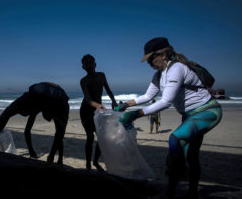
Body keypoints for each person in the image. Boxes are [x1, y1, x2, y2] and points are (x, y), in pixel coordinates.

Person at [118, 37, 222, 198]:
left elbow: (166, 102)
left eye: (151, 58)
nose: (149, 62)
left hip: (207, 112)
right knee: (190, 155)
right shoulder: (159, 75)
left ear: (164, 54)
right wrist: (126, 104)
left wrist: (135, 114)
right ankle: (190, 192)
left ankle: (170, 190)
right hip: (188, 116)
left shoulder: (176, 69)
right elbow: (147, 96)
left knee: (174, 140)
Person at [0, 82, 70, 165]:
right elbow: (27, 130)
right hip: (41, 92)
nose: (50, 119)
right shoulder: (36, 105)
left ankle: (59, 159)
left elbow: (26, 129)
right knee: (8, 112)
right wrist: (31, 150)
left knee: (8, 112)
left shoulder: (41, 106)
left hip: (50, 95)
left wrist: (51, 156)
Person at [80, 54, 118, 171]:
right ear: (83, 67)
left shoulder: (101, 76)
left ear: (95, 64)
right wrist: (100, 106)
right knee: (90, 137)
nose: (89, 65)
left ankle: (95, 161)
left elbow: (108, 89)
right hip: (86, 111)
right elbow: (88, 99)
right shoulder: (84, 81)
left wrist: (114, 101)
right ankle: (87, 164)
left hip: (98, 111)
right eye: (86, 63)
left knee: (101, 138)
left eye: (91, 62)